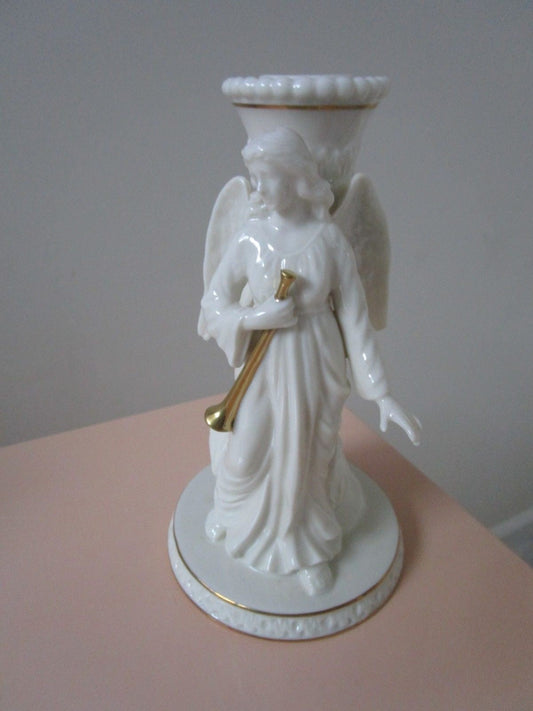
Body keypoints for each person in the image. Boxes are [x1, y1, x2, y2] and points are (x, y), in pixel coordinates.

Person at [199, 128, 420, 595]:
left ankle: (305, 552)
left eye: (267, 177)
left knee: (306, 463)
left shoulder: (330, 241)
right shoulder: (249, 239)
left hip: (315, 362)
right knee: (245, 453)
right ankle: (233, 514)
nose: (259, 188)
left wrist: (381, 392)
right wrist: (255, 316)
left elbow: (356, 319)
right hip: (262, 364)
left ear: (296, 177)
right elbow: (213, 303)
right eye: (254, 178)